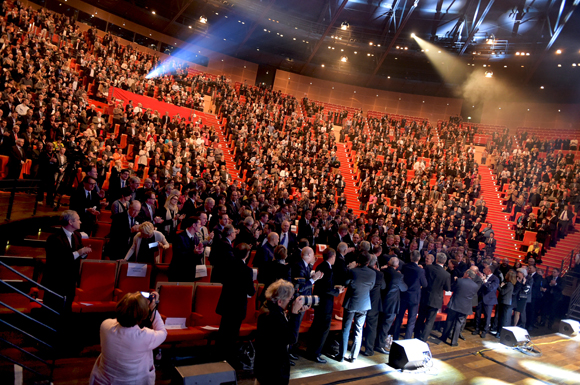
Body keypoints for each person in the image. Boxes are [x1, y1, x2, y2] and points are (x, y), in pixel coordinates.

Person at [89, 292, 166, 385]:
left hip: (103, 380)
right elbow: (163, 332)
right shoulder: (145, 337)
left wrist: (135, 305)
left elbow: (122, 319)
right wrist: (152, 308)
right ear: (142, 315)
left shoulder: (105, 325)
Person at [254, 280, 310, 385]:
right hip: (273, 370)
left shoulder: (267, 307)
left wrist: (294, 312)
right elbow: (291, 338)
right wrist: (294, 314)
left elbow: (281, 329)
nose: (291, 301)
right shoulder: (273, 316)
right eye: (289, 299)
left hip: (264, 367)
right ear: (279, 301)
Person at [42, 210, 92, 312]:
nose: (80, 222)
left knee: (67, 310)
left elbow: (78, 254)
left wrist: (84, 253)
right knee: (53, 310)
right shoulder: (54, 239)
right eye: (78, 220)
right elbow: (60, 260)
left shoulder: (77, 235)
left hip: (71, 281)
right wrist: (79, 252)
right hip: (56, 282)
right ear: (70, 222)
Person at [216, 243, 256, 367]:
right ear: (247, 255)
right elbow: (251, 291)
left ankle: (218, 356)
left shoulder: (227, 265)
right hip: (238, 306)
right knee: (232, 334)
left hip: (226, 303)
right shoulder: (247, 270)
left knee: (223, 331)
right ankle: (228, 359)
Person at [335, 252, 376, 362]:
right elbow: (371, 287)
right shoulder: (373, 273)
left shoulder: (353, 271)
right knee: (359, 330)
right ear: (368, 262)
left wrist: (350, 268)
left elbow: (346, 283)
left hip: (351, 302)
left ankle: (341, 355)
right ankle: (354, 356)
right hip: (364, 304)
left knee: (346, 329)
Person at [306, 248, 345, 363]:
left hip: (319, 302)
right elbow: (327, 289)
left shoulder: (320, 266)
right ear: (332, 256)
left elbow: (323, 286)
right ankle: (315, 353)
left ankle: (311, 351)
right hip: (325, 304)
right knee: (323, 329)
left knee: (316, 327)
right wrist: (338, 292)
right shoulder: (328, 269)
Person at [415, 252, 451, 342]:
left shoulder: (428, 268)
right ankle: (423, 339)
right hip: (436, 300)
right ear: (445, 261)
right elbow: (447, 288)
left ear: (437, 259)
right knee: (430, 321)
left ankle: (416, 335)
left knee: (421, 318)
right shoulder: (446, 274)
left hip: (425, 296)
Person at [438, 269, 480, 346]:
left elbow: (452, 289)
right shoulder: (475, 285)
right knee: (458, 324)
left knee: (449, 322)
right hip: (465, 307)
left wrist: (455, 281)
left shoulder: (459, 281)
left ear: (467, 274)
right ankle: (454, 342)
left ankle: (444, 337)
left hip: (455, 304)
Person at [392, 250, 427, 340]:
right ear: (419, 258)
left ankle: (395, 337)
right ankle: (407, 339)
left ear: (411, 257)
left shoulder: (404, 266)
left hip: (403, 295)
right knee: (411, 320)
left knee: (399, 317)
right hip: (414, 297)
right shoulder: (420, 270)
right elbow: (425, 284)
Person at [375, 256, 407, 354]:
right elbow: (404, 288)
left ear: (388, 263)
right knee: (385, 326)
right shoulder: (398, 276)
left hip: (380, 302)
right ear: (397, 266)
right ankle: (380, 346)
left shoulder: (382, 272)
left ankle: (375, 343)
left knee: (379, 324)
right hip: (391, 304)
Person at [361, 255, 386, 356]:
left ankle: (356, 346)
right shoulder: (379, 274)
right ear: (375, 263)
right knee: (371, 327)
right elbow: (383, 287)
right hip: (373, 304)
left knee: (359, 326)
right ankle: (368, 349)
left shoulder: (361, 271)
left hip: (362, 302)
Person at [168, 216, 205, 282]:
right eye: (199, 224)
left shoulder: (196, 238)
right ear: (194, 225)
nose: (200, 226)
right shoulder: (179, 237)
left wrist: (200, 252)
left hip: (190, 273)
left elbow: (197, 257)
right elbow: (178, 255)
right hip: (179, 272)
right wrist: (193, 252)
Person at [472, 263, 500, 338]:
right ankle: (477, 329)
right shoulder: (482, 276)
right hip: (480, 298)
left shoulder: (495, 279)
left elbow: (490, 288)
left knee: (487, 316)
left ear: (489, 271)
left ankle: (485, 330)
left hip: (489, 300)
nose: (484, 269)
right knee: (477, 315)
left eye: (485, 269)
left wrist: (484, 280)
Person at [495, 270, 516, 339]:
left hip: (505, 303)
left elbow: (503, 292)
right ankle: (499, 332)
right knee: (501, 318)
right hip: (503, 302)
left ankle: (500, 333)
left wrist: (499, 286)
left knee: (503, 319)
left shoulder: (509, 284)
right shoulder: (508, 284)